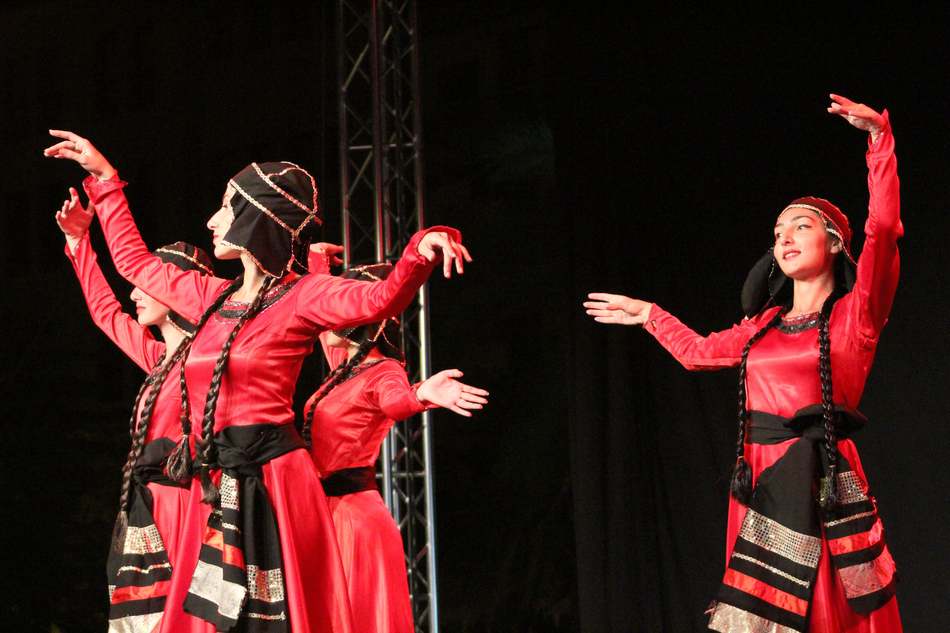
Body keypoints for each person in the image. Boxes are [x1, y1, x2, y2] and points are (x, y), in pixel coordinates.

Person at [45, 131, 470, 633]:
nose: (212, 221)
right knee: (206, 618)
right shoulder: (211, 297)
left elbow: (378, 302)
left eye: (226, 207)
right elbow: (134, 264)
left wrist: (421, 248)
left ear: (254, 218)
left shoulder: (302, 297)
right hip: (219, 480)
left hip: (273, 481)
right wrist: (105, 179)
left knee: (271, 619)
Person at [583, 94, 902, 632]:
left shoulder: (855, 317)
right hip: (760, 484)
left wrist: (879, 143)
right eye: (777, 235)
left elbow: (884, 232)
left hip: (818, 485)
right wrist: (649, 314)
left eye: (799, 226)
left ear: (833, 242)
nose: (784, 239)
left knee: (824, 612)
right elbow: (696, 353)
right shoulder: (764, 326)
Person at [302, 246, 489, 633]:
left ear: (359, 319)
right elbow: (317, 317)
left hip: (355, 521)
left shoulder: (383, 371)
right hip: (326, 514)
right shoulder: (344, 365)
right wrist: (316, 261)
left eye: (339, 308)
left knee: (352, 619)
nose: (328, 316)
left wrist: (423, 393)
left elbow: (398, 401)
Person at [56, 186, 215, 632]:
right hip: (151, 512)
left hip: (190, 509)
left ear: (178, 291)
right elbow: (106, 313)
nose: (135, 295)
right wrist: (79, 243)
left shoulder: (209, 359)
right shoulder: (157, 359)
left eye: (146, 285)